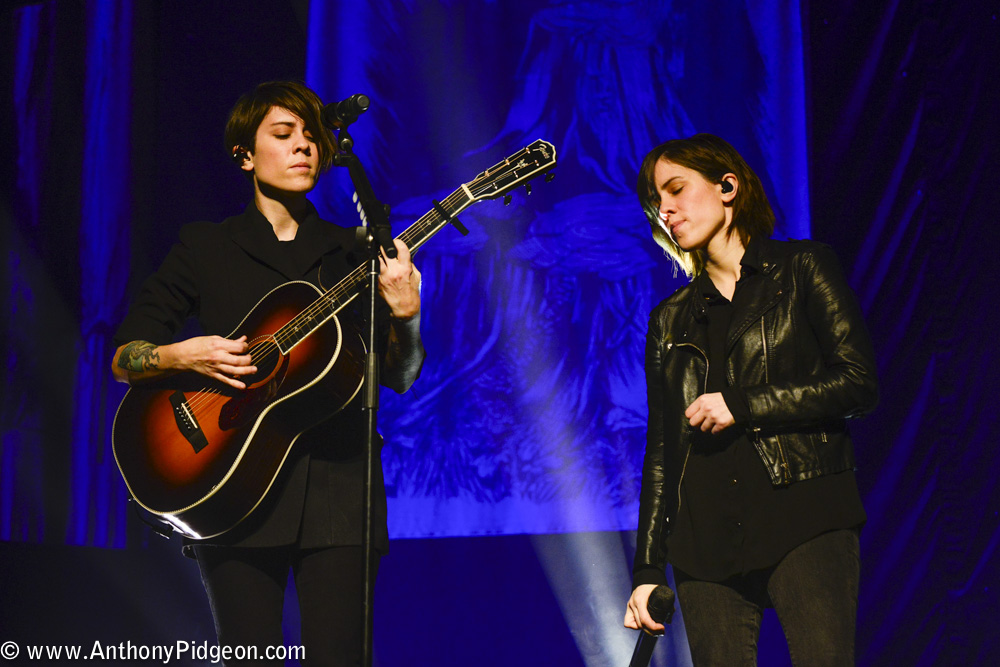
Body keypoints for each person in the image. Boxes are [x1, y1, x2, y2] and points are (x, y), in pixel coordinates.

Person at [111, 81, 424, 666]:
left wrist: (407, 318)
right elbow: (125, 356)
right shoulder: (205, 246)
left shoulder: (353, 253)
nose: (304, 146)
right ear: (245, 156)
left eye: (312, 136)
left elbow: (400, 375)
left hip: (340, 492)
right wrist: (183, 356)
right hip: (229, 485)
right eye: (283, 134)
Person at [623, 133, 877, 665]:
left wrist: (742, 404)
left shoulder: (803, 268)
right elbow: (663, 451)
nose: (665, 210)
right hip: (704, 545)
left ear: (727, 187)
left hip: (804, 516)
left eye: (676, 189)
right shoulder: (669, 319)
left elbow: (857, 382)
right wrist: (647, 569)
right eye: (655, 201)